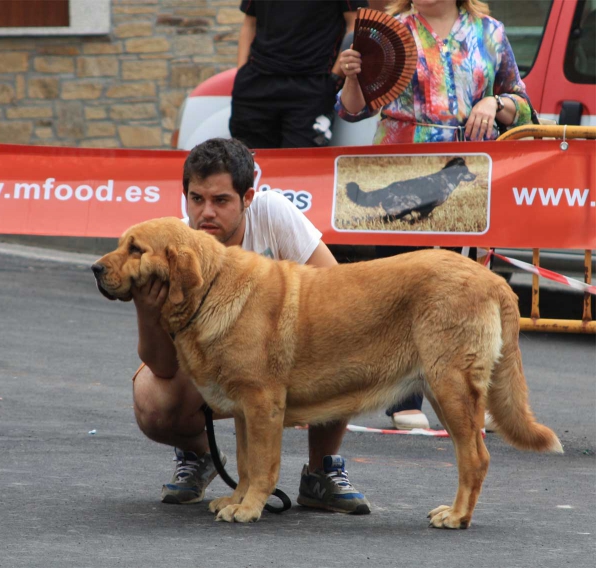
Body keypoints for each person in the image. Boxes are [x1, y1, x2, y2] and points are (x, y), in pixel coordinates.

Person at [131, 138, 370, 515]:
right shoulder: (172, 245)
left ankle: (320, 470)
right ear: (185, 197)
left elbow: (338, 295)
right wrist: (147, 311)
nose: (206, 213)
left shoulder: (273, 213)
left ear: (247, 198)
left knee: (340, 339)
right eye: (196, 199)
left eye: (221, 201)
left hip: (286, 360)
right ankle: (204, 456)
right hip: (218, 375)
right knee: (151, 399)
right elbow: (163, 367)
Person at [336, 0, 533, 428]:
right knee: (403, 285)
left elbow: (524, 104)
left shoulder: (491, 33)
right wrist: (353, 76)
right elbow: (353, 109)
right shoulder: (388, 32)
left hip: (464, 172)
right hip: (401, 169)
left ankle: (467, 395)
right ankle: (404, 398)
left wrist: (494, 102)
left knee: (465, 288)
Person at [229, 0, 368, 149]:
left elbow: (356, 24)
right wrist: (241, 72)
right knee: (250, 166)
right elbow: (250, 22)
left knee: (301, 166)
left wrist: (334, 79)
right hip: (256, 84)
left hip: (311, 87)